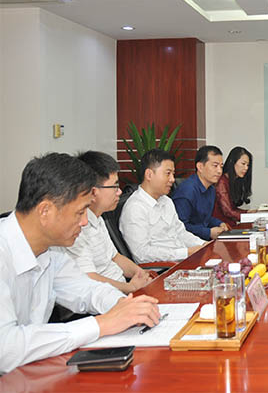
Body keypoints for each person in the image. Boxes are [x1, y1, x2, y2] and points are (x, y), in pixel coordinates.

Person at [0, 153, 160, 374]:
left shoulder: (51, 251)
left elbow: (88, 291)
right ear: (45, 211)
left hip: (30, 372)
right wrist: (101, 324)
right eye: (79, 212)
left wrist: (125, 306)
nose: (84, 222)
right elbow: (6, 348)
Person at [63, 151, 151, 293]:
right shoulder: (76, 228)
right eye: (114, 186)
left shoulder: (98, 218)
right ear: (93, 191)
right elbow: (89, 278)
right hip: (106, 298)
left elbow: (115, 257)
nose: (119, 192)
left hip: (122, 291)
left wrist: (141, 274)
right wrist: (131, 288)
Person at [120, 149, 206, 263]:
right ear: (149, 174)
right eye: (168, 173)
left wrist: (203, 245)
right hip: (163, 269)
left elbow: (180, 233)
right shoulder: (135, 208)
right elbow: (142, 253)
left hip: (182, 261)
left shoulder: (166, 201)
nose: (172, 179)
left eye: (173, 174)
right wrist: (185, 253)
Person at [172, 145, 229, 240]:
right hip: (188, 244)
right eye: (215, 166)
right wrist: (208, 232)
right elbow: (180, 227)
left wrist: (219, 223)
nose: (219, 171)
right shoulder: (187, 191)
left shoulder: (211, 189)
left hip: (202, 241)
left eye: (221, 166)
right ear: (200, 167)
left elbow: (204, 219)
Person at [213, 146, 253, 229]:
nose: (246, 168)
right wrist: (251, 216)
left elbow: (233, 208)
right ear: (232, 162)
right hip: (221, 227)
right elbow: (228, 212)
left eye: (248, 165)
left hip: (230, 226)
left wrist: (249, 212)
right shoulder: (221, 182)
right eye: (243, 164)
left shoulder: (234, 181)